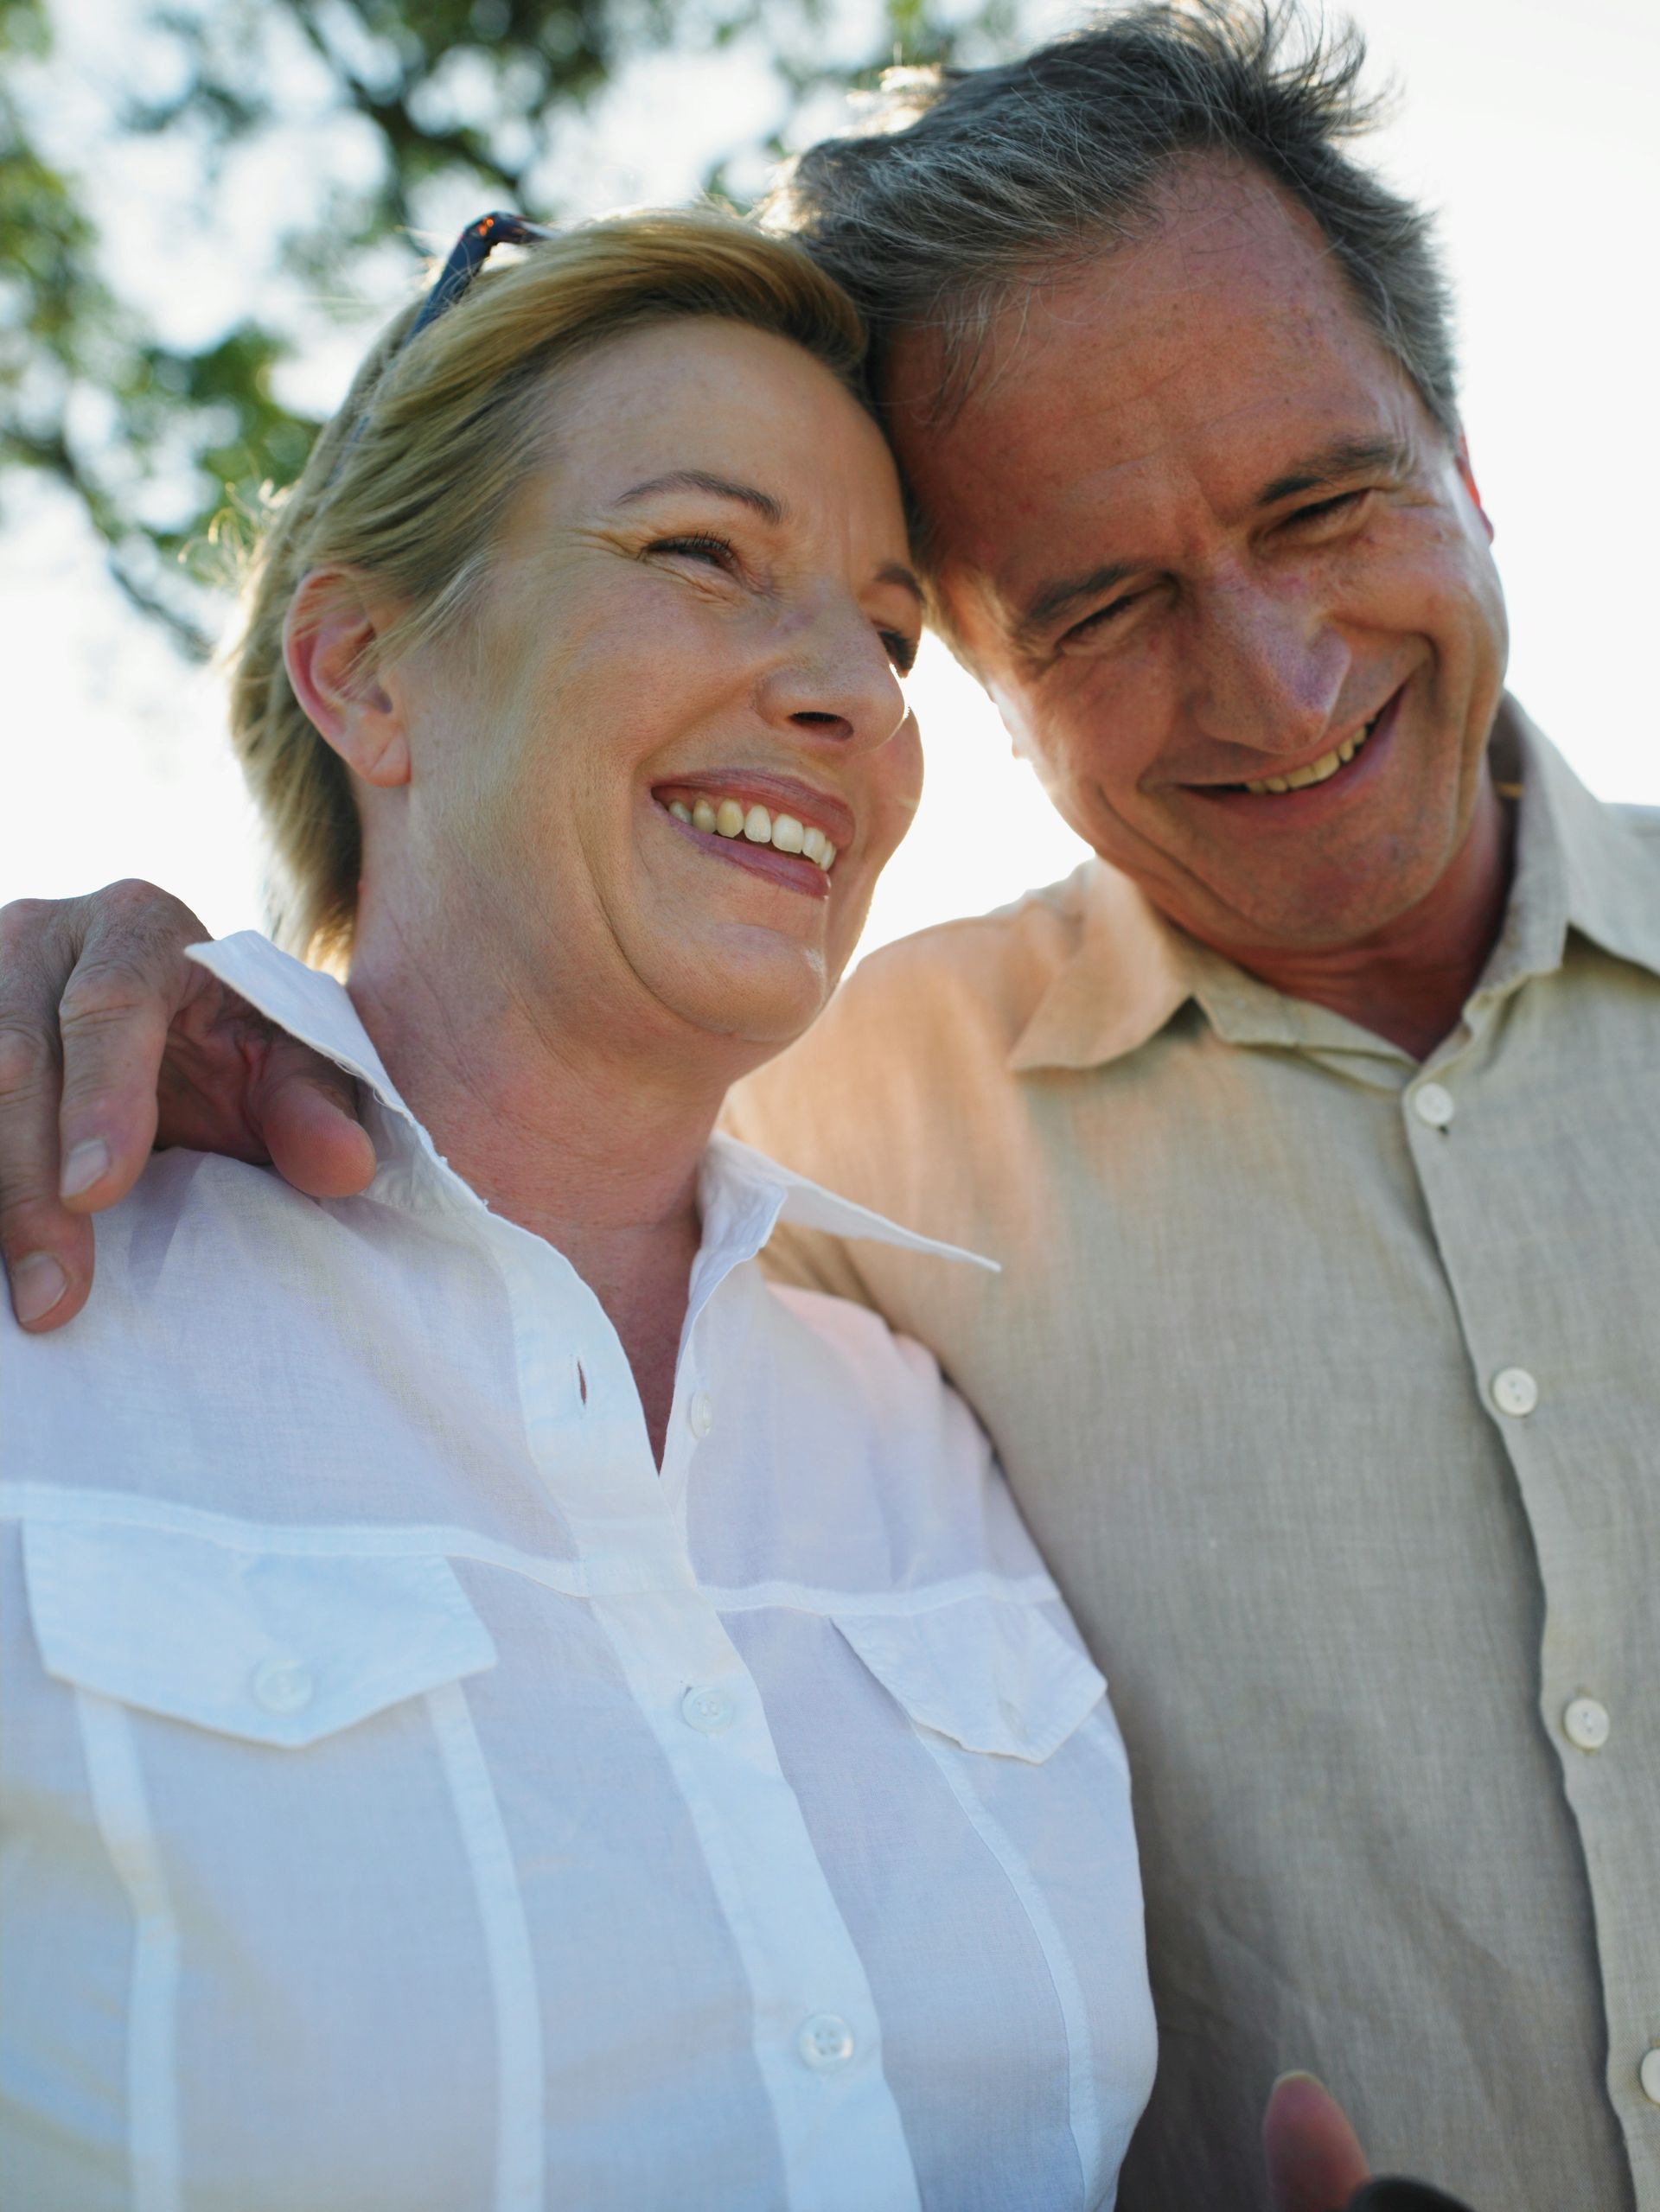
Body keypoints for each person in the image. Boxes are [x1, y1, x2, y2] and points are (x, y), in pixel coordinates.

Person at [2, 5, 1649, 2208]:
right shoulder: (849, 1164)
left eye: (1326, 501)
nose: (1276, 674)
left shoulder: (888, 1411)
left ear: (1458, 450)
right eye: (1103, 604)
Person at [0, 206, 1165, 2209]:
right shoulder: (52, 1327)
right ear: (366, 670)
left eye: (889, 635)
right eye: (704, 552)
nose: (850, 699)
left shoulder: (931, 1431)